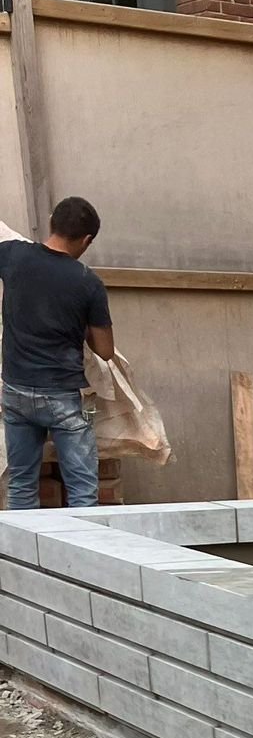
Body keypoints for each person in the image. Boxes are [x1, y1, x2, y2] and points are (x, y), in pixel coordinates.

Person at [0, 196, 114, 510]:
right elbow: (105, 351)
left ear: (52, 221)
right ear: (87, 239)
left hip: (15, 390)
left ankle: (20, 556)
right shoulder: (87, 282)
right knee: (81, 491)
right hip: (61, 396)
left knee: (22, 486)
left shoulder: (12, 256)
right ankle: (81, 554)